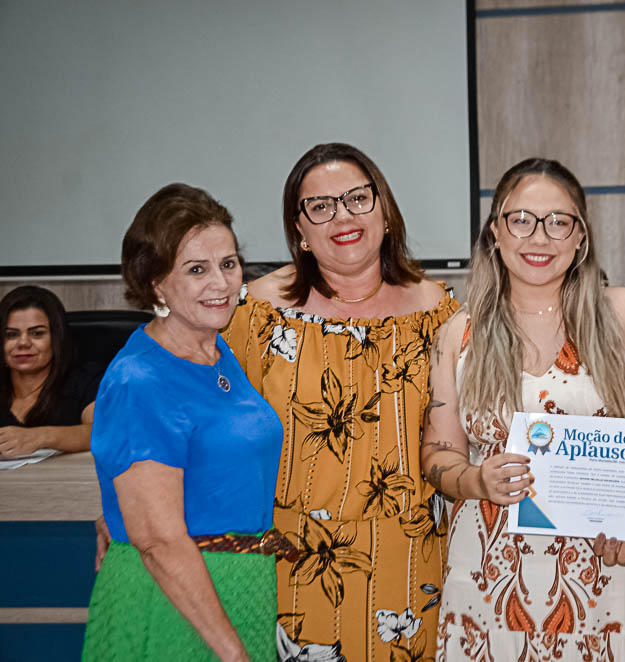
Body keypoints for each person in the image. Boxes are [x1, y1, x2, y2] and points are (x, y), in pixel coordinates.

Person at [421, 158, 625, 661]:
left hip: (610, 579)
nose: (539, 238)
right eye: (521, 219)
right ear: (495, 231)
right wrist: (475, 480)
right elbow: (440, 451)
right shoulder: (460, 333)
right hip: (490, 586)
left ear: (580, 236)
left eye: (559, 221)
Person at [222, 143, 460, 661]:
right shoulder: (255, 313)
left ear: (385, 210)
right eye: (321, 206)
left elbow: (471, 430)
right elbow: (203, 422)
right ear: (299, 231)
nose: (343, 216)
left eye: (357, 198)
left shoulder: (440, 311)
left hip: (412, 563)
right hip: (294, 564)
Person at [83, 183, 286, 661]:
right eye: (197, 269)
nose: (221, 283)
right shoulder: (141, 377)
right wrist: (232, 653)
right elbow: (156, 538)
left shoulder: (216, 351)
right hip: (174, 601)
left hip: (239, 588)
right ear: (157, 283)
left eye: (228, 263)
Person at [0, 285, 99, 457]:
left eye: (37, 334)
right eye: (11, 335)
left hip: (65, 481)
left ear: (57, 338)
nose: (23, 343)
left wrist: (41, 437)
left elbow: (99, 432)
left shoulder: (84, 381)